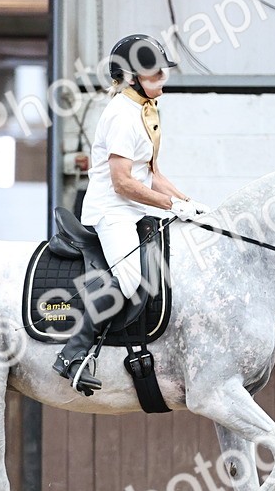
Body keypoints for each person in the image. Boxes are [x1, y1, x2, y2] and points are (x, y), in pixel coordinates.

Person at [53, 34, 208, 394]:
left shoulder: (147, 109)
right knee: (128, 281)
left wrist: (189, 201)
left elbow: (151, 173)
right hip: (113, 212)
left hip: (136, 207)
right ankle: (72, 354)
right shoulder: (122, 116)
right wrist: (171, 206)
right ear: (132, 76)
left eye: (162, 73)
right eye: (154, 75)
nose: (163, 80)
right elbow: (122, 183)